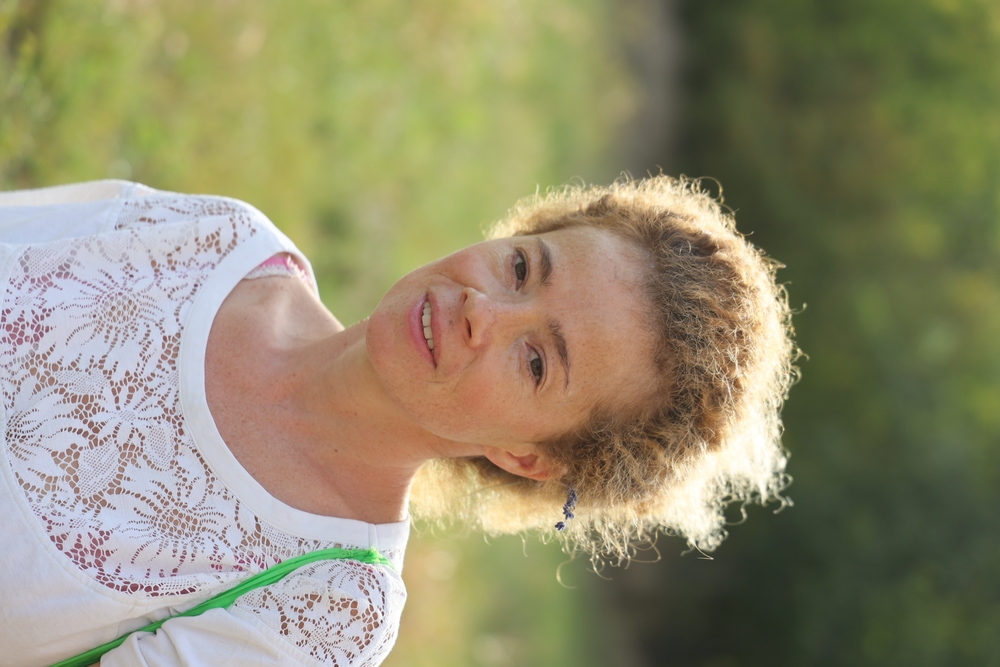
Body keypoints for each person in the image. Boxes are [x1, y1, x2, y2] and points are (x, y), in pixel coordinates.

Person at [0, 175, 796, 666]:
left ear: (526, 456)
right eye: (523, 266)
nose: (483, 309)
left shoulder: (329, 609)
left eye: (536, 361)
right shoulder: (222, 242)